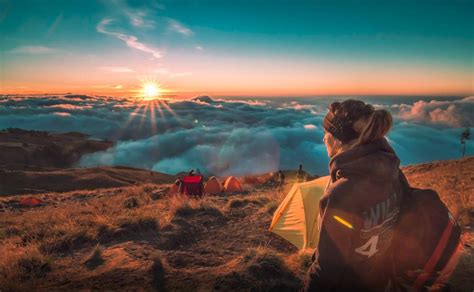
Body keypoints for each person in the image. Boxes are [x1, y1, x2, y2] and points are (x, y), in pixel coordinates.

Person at [305, 100, 405, 291]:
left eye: (325, 134)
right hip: (382, 281)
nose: (323, 139)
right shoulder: (393, 172)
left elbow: (327, 270)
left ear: (337, 140)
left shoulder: (342, 195)